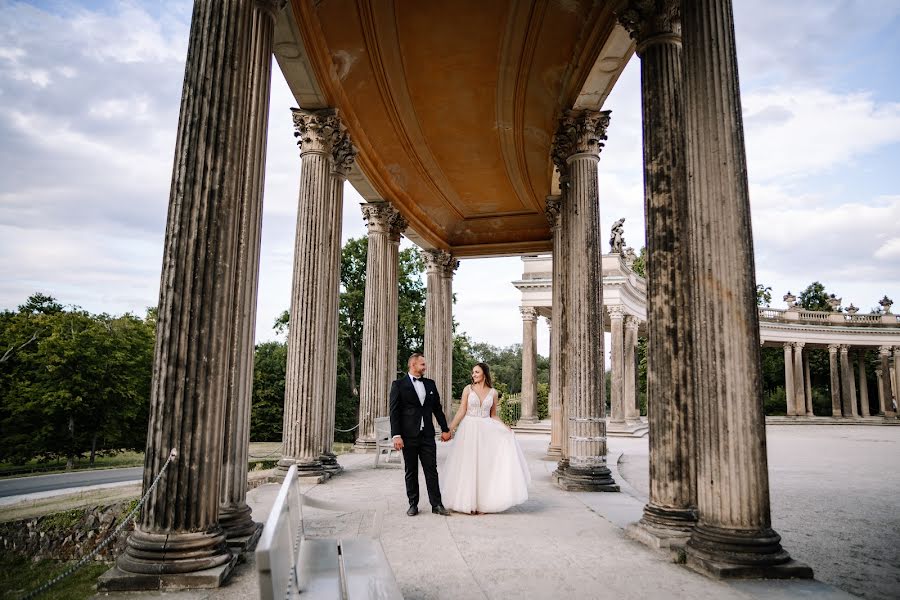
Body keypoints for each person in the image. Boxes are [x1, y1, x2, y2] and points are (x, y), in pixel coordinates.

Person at [441, 362, 531, 514]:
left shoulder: (493, 393)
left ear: (484, 373)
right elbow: (462, 410)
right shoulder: (467, 389)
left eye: (476, 372)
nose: (473, 375)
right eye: (473, 372)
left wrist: (505, 427)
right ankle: (467, 502)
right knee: (468, 465)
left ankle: (482, 504)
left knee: (484, 467)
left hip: (486, 431)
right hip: (468, 429)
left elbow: (493, 415)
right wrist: (450, 428)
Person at [389, 353, 452, 516]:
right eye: (422, 364)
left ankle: (437, 504)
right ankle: (413, 504)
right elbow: (394, 412)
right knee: (411, 471)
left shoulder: (430, 384)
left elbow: (437, 408)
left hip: (427, 435)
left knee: (432, 470)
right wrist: (396, 435)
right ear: (413, 365)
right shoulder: (398, 385)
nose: (425, 367)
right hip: (408, 435)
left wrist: (445, 429)